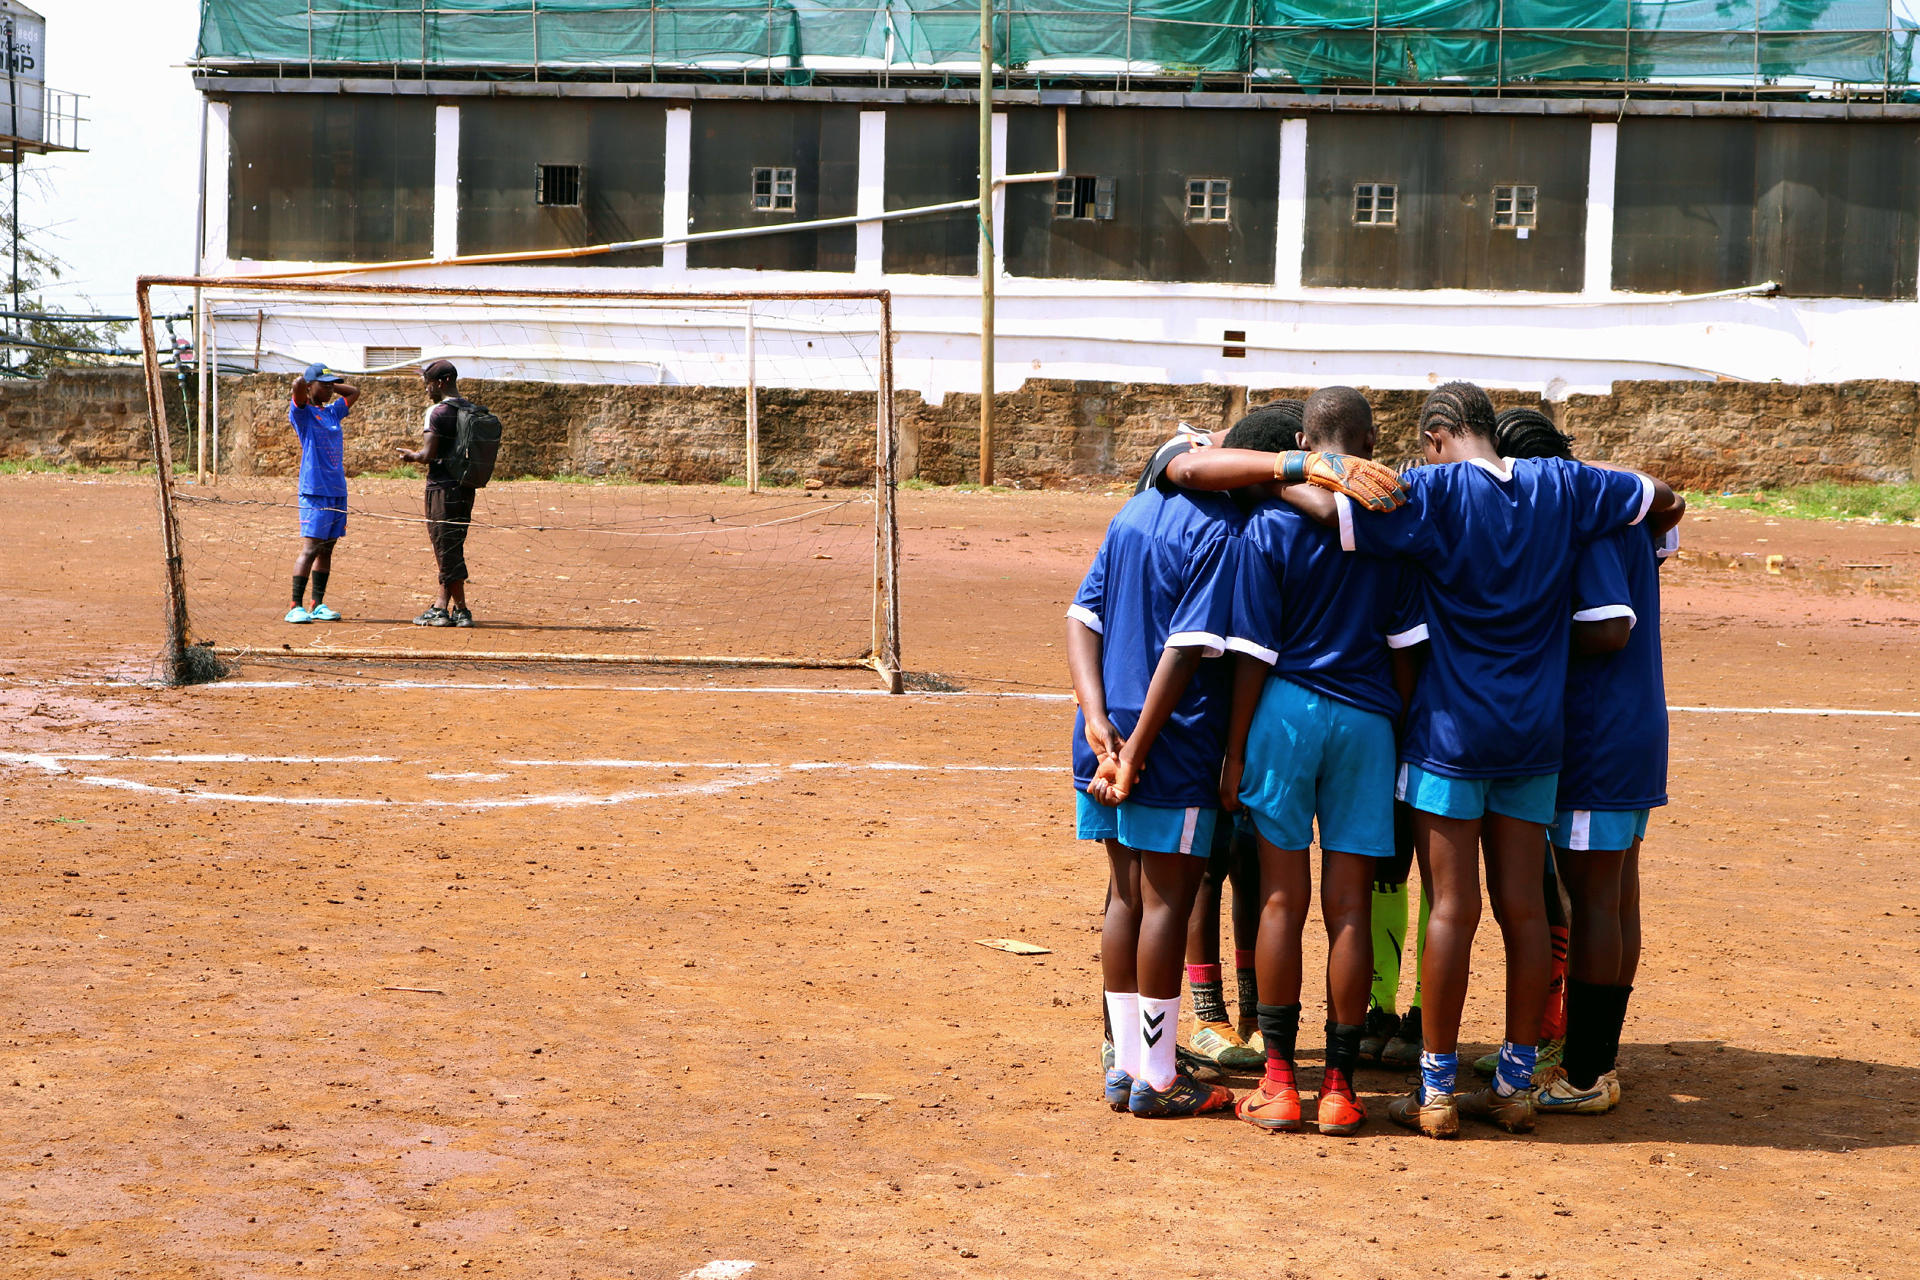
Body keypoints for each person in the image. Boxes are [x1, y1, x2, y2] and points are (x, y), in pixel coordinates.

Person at [1216, 387, 1425, 1137]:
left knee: (1279, 901)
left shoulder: (1272, 522)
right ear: (1371, 439)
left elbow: (1250, 654)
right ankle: (1340, 1089)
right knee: (1346, 908)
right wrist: (1394, 734)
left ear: (1305, 438)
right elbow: (1409, 654)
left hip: (1285, 712)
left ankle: (1277, 1082)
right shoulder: (1393, 525)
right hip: (1367, 718)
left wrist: (1237, 748)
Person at [1497, 407, 1674, 1116]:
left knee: (1597, 898)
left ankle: (1586, 1073)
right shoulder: (1613, 514)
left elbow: (1606, 624)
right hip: (1632, 728)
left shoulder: (1585, 522)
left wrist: (1519, 647)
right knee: (1615, 894)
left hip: (1597, 737)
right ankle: (1586, 1054)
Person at [1067, 465, 1245, 1118]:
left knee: (1125, 896)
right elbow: (1185, 648)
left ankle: (1128, 1067)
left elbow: (1081, 617)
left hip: (1102, 735)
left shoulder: (1131, 515)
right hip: (1171, 747)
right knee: (1168, 902)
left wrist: (1096, 722)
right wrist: (1138, 752)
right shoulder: (1220, 530)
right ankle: (1161, 1076)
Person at [398, 360, 476, 628]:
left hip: (441, 488)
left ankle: (462, 611)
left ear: (441, 382)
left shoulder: (437, 412)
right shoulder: (469, 409)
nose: (426, 389)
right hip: (465, 488)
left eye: (428, 383)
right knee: (452, 546)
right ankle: (441, 606)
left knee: (445, 548)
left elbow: (428, 454)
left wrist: (412, 456)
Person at [285, 362, 359, 624]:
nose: (329, 390)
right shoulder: (303, 414)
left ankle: (317, 603)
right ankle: (296, 605)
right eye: (324, 385)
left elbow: (353, 392)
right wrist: (306, 384)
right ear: (310, 386)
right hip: (314, 490)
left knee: (327, 548)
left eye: (331, 385)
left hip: (337, 489)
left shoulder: (332, 412)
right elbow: (296, 387)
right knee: (311, 548)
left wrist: (329, 382)